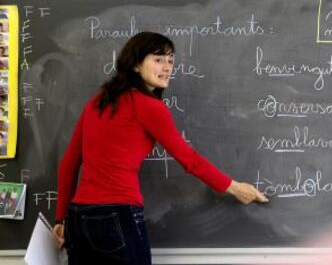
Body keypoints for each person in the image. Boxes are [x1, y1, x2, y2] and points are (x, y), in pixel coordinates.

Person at [53, 32, 268, 265]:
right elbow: (189, 160)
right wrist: (236, 188)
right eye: (158, 59)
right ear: (135, 64)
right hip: (117, 215)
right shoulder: (149, 106)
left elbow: (70, 162)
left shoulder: (98, 100)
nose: (167, 67)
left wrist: (61, 219)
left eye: (170, 60)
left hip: (79, 217)